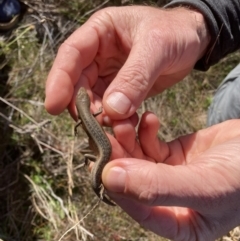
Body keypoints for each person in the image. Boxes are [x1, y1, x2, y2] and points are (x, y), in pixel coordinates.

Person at [45, 1, 240, 240]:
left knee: (103, 159)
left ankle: (100, 188)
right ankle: (100, 188)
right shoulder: (90, 113)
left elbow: (82, 124)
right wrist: (205, 19)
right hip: (103, 148)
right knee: (223, 111)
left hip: (102, 147)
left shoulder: (85, 116)